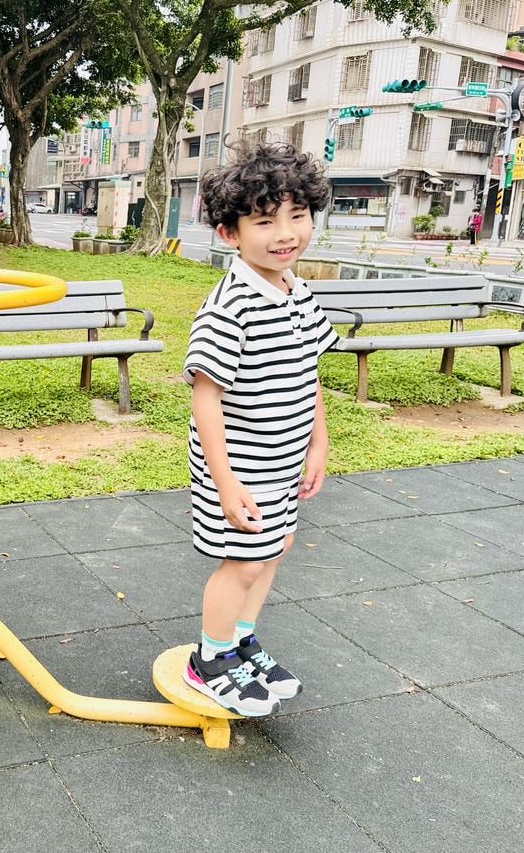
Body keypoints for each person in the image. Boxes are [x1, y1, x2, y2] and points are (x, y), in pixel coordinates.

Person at [181, 141, 339, 717]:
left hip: (282, 457)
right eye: (266, 221)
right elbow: (206, 399)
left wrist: (318, 441)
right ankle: (210, 659)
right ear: (230, 233)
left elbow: (310, 369)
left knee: (275, 549)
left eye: (298, 216)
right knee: (245, 560)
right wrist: (224, 482)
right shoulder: (232, 305)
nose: (286, 232)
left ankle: (241, 643)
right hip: (242, 463)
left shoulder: (297, 290)